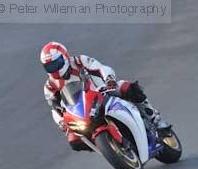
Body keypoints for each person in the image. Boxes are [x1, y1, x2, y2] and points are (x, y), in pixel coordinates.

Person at [40, 41, 170, 152]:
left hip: (102, 92)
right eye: (50, 67)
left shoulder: (79, 61)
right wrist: (62, 123)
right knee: (74, 141)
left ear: (65, 56)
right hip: (82, 112)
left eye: (56, 64)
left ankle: (156, 120)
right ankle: (108, 148)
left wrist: (109, 79)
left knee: (128, 87)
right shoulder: (50, 86)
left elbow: (100, 67)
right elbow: (54, 108)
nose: (55, 69)